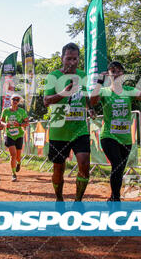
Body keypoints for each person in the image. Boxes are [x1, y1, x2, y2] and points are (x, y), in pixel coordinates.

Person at [89, 61, 141, 201]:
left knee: (120, 168)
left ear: (123, 74)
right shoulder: (104, 91)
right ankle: (116, 198)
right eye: (113, 71)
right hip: (109, 136)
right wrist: (99, 81)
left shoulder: (128, 90)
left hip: (126, 138)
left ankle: (112, 197)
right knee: (116, 165)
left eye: (119, 71)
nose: (116, 74)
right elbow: (92, 100)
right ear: (109, 74)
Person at [43, 43, 90, 202]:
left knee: (84, 164)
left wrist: (90, 107)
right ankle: (59, 198)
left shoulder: (83, 76)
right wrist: (65, 92)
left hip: (80, 129)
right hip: (59, 129)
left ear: (78, 59)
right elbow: (46, 101)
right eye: (68, 58)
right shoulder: (53, 76)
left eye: (75, 58)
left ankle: (78, 201)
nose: (72, 62)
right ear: (62, 58)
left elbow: (86, 98)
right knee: (58, 168)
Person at [0, 94, 29, 182]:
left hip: (19, 135)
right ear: (11, 100)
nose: (15, 101)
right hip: (9, 135)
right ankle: (13, 174)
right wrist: (5, 125)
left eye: (17, 100)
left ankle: (19, 163)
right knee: (13, 155)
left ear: (19, 102)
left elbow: (27, 123)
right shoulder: (5, 111)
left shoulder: (22, 111)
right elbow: (1, 121)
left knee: (18, 156)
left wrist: (19, 125)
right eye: (14, 99)